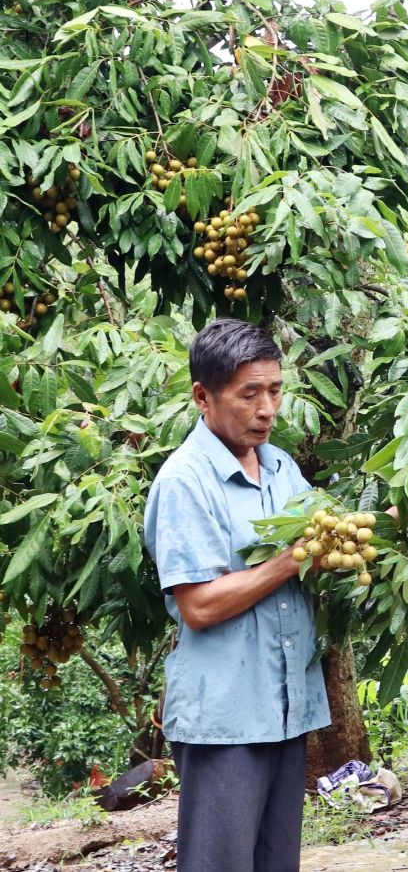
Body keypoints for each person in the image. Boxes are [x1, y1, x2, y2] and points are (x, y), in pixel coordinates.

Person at [143, 318, 329, 872]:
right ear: (203, 396)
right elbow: (198, 606)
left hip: (285, 708)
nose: (268, 409)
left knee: (277, 864)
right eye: (249, 394)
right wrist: (295, 558)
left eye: (275, 391)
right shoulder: (185, 480)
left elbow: (323, 550)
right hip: (225, 717)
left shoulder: (281, 468)